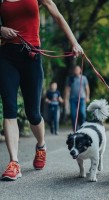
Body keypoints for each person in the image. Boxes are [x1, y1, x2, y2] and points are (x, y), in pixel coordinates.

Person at [0, 0, 83, 181]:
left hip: (31, 56)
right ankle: (14, 163)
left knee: (33, 113)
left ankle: (41, 145)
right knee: (9, 109)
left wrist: (74, 42)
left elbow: (58, 16)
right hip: (6, 57)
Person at [64, 65, 90, 130]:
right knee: (73, 115)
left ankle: (83, 127)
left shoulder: (83, 78)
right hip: (73, 99)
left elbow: (87, 88)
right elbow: (67, 89)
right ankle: (75, 129)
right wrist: (66, 99)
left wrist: (87, 97)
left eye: (77, 69)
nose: (76, 71)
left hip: (82, 99)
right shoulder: (70, 78)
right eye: (75, 69)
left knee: (82, 113)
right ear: (73, 71)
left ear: (80, 70)